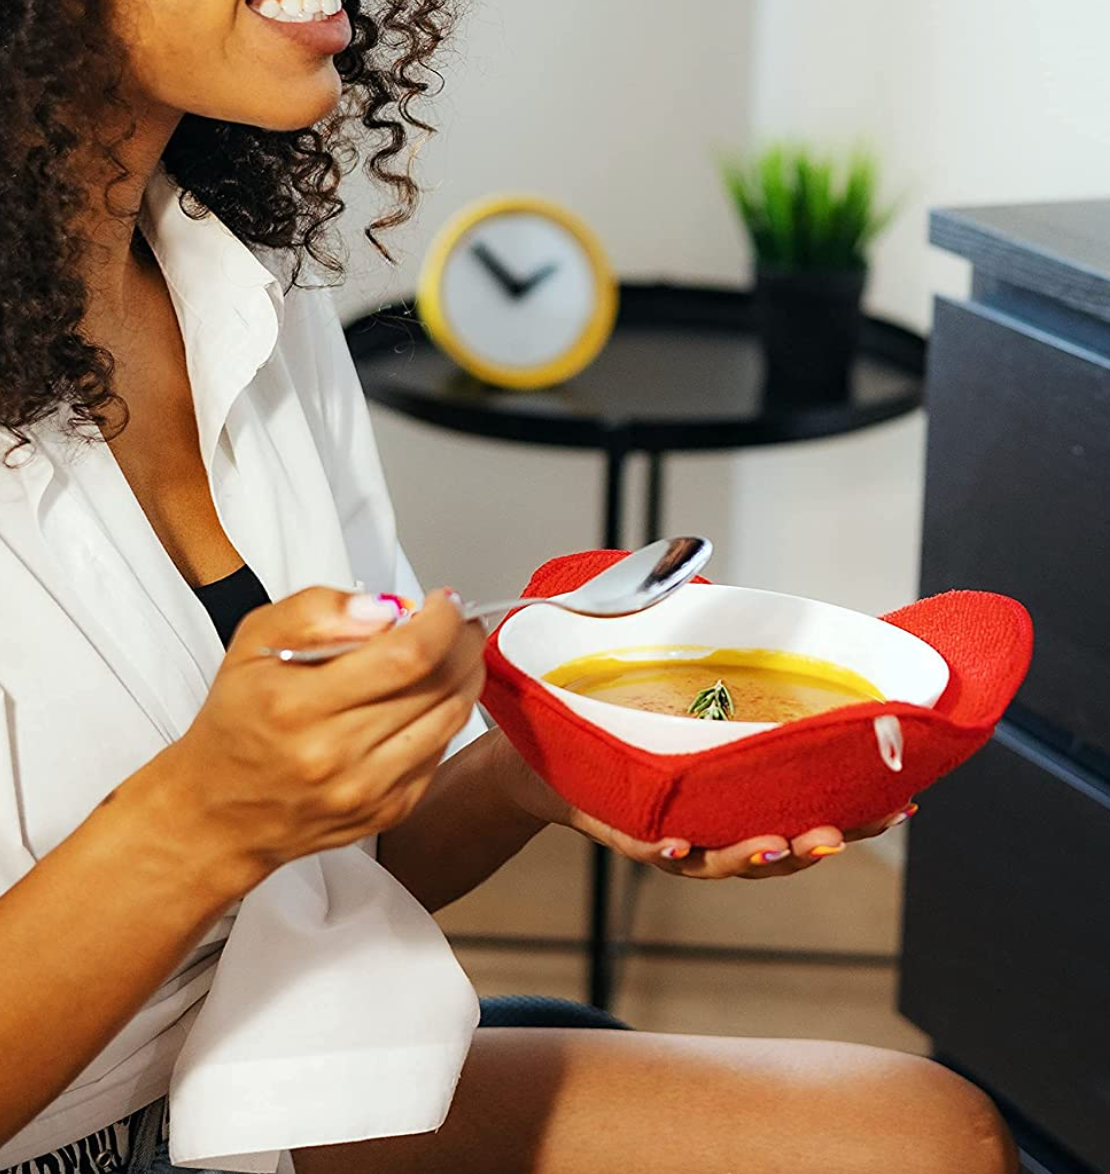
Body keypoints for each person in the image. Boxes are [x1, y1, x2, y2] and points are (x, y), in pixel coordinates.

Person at [0, 2, 1017, 1172]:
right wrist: (203, 818)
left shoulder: (241, 279)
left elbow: (337, 883)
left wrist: (550, 763)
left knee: (935, 1137)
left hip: (249, 1077)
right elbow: (227, 834)